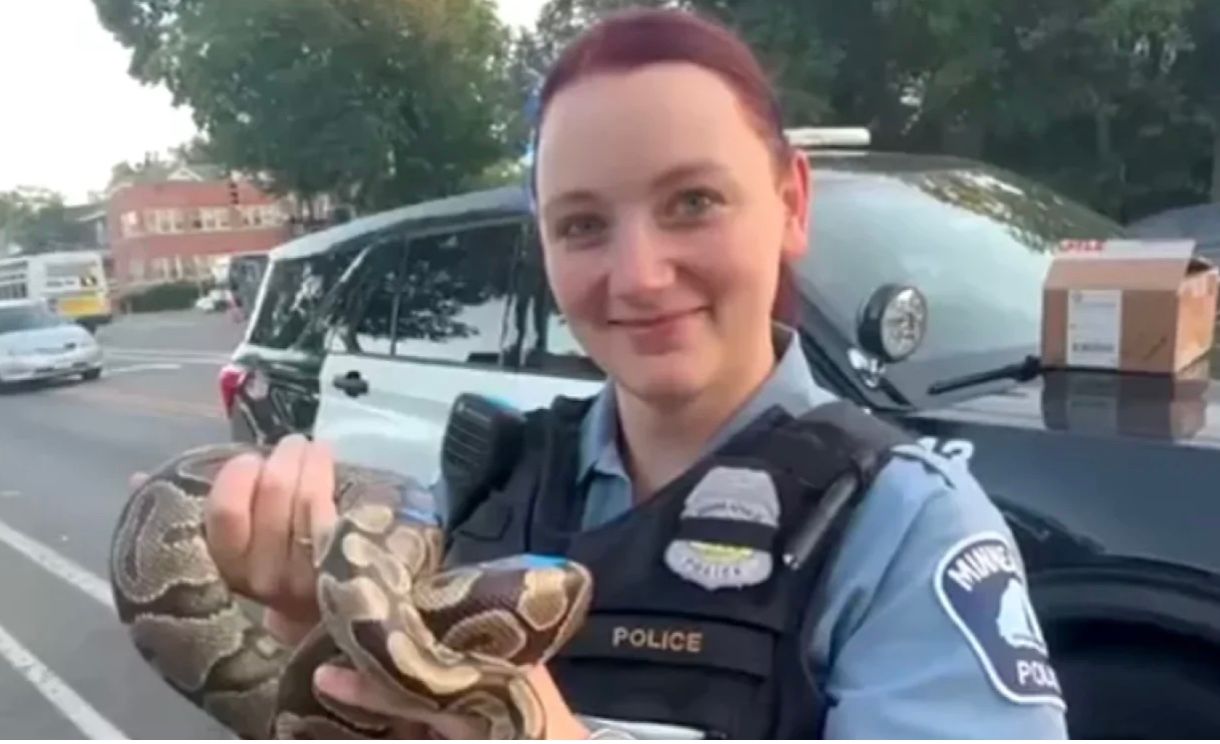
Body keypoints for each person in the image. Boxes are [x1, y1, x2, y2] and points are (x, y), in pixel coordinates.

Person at [199, 8, 1069, 740]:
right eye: (581, 225)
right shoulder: (481, 484)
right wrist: (316, 637)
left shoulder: (903, 527)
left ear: (792, 205)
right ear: (542, 246)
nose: (641, 275)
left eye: (692, 203)